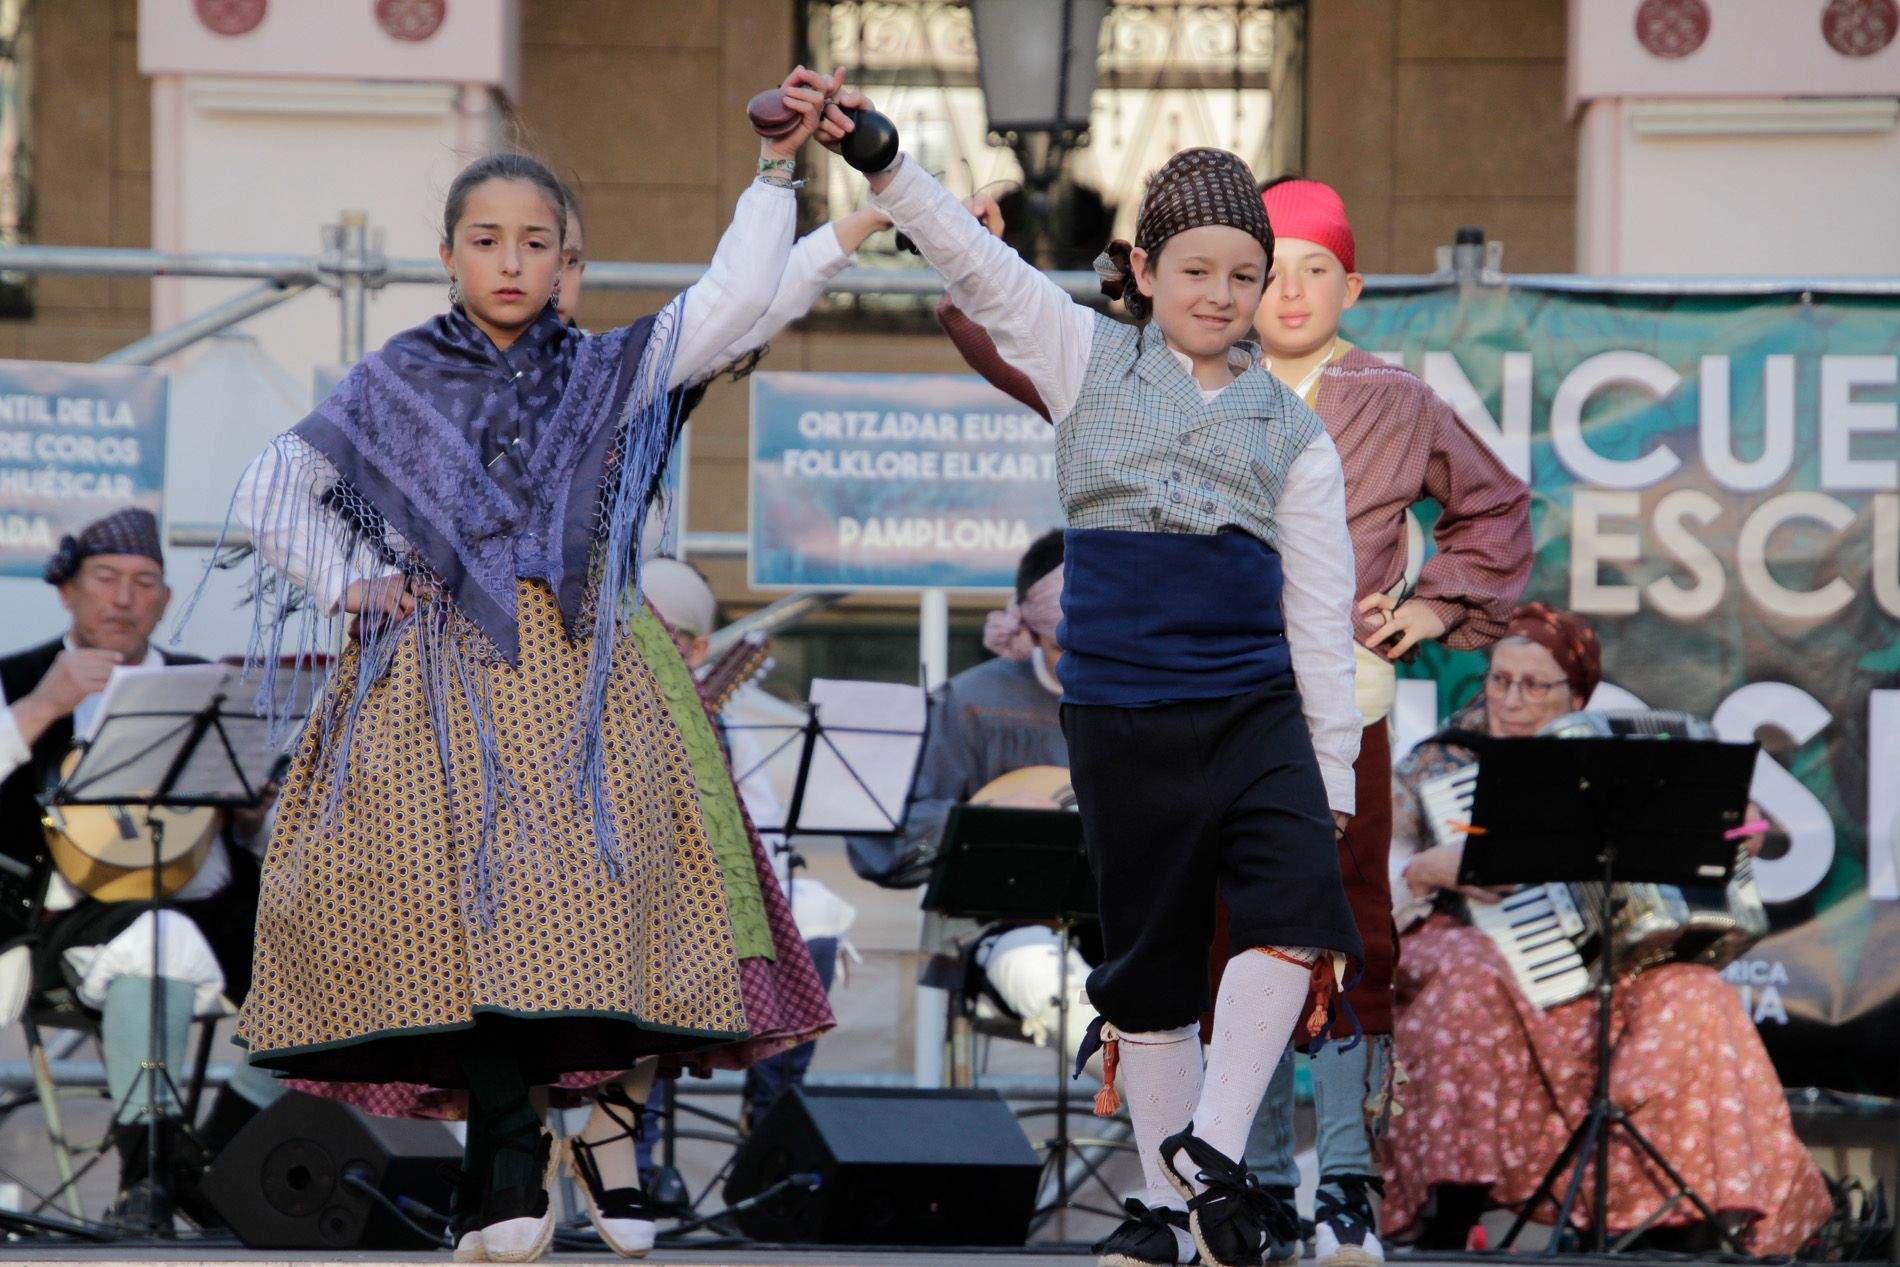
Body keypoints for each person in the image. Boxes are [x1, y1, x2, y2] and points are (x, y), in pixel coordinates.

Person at [208, 68, 847, 1264]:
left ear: (565, 260)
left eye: (535, 242)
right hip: (435, 688)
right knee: (461, 923)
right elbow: (268, 491)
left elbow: (733, 301)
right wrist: (349, 579)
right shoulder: (397, 379)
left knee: (613, 916)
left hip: (584, 679)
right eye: (486, 240)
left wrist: (776, 172)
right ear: (449, 254)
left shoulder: (609, 370)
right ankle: (501, 1167)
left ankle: (597, 1139)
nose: (510, 261)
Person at [935, 175, 1535, 1266]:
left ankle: (1312, 1180)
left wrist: (1429, 611)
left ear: (1345, 285)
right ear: (1153, 270)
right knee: (1175, 956)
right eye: (1227, 271)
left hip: (1303, 708)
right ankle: (1202, 1196)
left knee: (1330, 928)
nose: (1261, 292)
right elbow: (1008, 314)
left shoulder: (1364, 405)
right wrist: (919, 209)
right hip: (1137, 705)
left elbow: (1440, 536)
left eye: (1288, 272)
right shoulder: (1113, 366)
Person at [850, 101, 1365, 1267]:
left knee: (1296, 915)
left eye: (1245, 275)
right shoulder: (1084, 356)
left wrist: (1330, 773)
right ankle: (1175, 1218)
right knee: (1149, 971)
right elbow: (975, 263)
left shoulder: (1297, 436)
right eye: (1196, 270)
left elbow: (1319, 618)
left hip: (1255, 709)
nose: (1222, 295)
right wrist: (878, 156)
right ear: (1141, 268)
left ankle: (1208, 1156)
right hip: (1121, 717)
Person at [1382, 604, 1832, 1256]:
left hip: (1602, 965)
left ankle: (1681, 1213)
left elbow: (1730, 836)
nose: (1510, 700)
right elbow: (1371, 883)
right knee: (1469, 975)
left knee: (1694, 995)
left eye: (1533, 685)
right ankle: (1449, 1204)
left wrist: (1735, 826)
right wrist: (1426, 870)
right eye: (1500, 680)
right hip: (1471, 947)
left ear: (1577, 696)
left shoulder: (1620, 763)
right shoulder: (1440, 765)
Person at [0, 509, 284, 1227]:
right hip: (64, 922)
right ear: (66, 590)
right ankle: (155, 1167)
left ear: (165, 598)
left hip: (216, 912)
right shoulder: (18, 678)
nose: (124, 598)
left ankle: (206, 1158)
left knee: (334, 971)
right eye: (105, 578)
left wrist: (252, 813)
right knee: (156, 938)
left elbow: (265, 837)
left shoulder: (207, 686)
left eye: (144, 582)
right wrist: (44, 706)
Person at [845, 531, 1103, 1073]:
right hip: (999, 931)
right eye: (1063, 648)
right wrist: (990, 823)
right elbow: (887, 839)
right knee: (1039, 968)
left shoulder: (1141, 701)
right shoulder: (973, 701)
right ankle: (1160, 1099)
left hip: (1119, 927)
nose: (1079, 663)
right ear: (1032, 629)